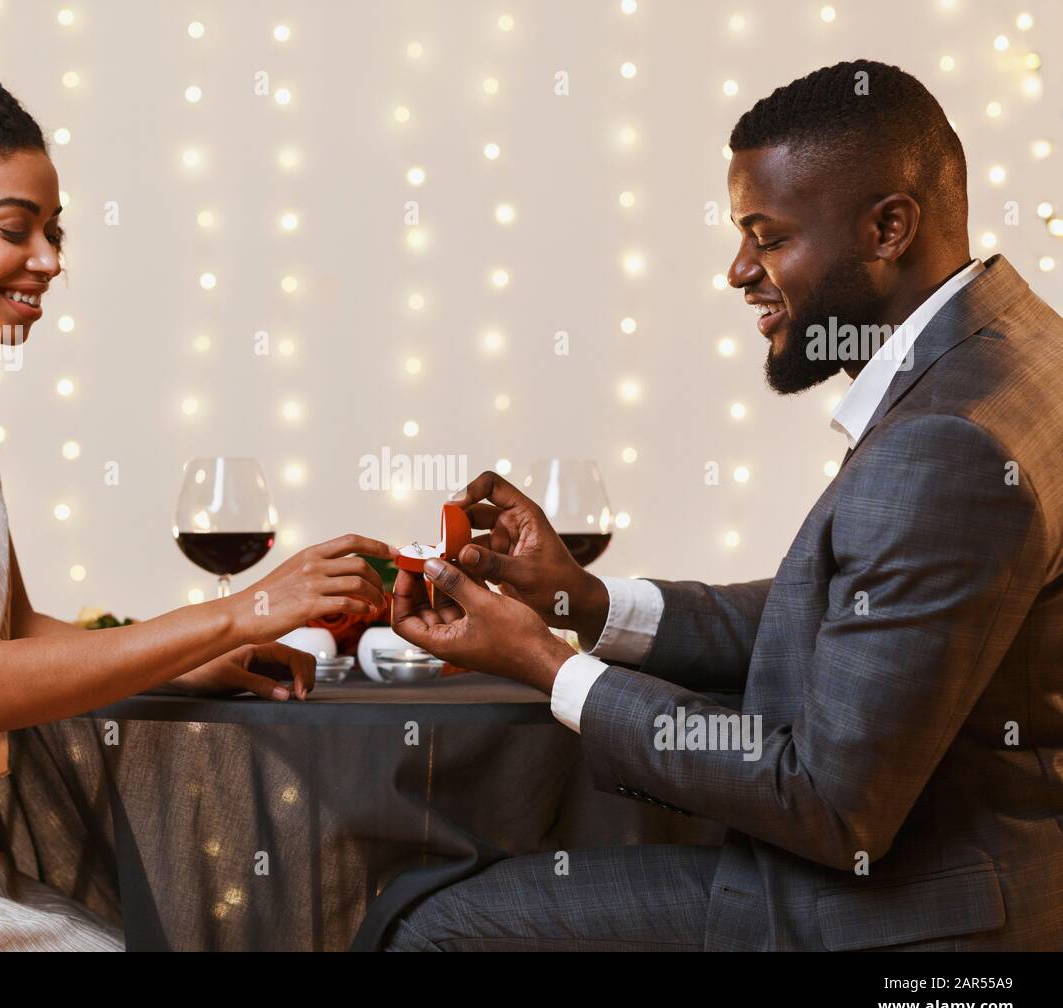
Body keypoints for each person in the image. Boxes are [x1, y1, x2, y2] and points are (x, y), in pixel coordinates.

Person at [384, 60, 1063, 951]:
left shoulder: (948, 446)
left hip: (911, 929)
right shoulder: (1012, 350)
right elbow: (845, 616)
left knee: (438, 923)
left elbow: (829, 804)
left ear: (889, 226)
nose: (740, 271)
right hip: (974, 879)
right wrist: (583, 604)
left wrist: (551, 669)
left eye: (768, 235)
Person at [0, 66, 393, 951]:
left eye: (53, 233)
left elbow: (11, 627)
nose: (50, 260)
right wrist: (239, 607)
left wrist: (198, 652)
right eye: (15, 229)